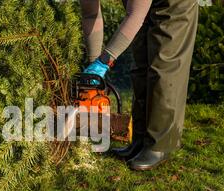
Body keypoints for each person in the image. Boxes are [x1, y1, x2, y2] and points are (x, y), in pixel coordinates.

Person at [80, 0, 199, 170]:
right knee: (141, 61)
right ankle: (140, 139)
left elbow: (135, 16)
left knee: (163, 65)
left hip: (175, 4)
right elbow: (90, 14)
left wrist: (104, 62)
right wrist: (93, 65)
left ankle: (160, 145)